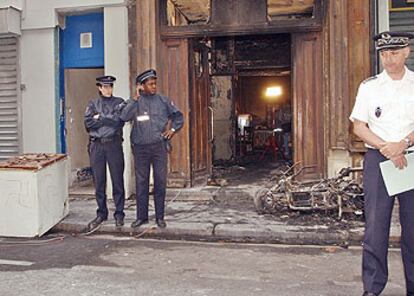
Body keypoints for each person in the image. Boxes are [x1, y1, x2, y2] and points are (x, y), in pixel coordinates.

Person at [349, 31, 414, 296]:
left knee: (413, 229)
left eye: (394, 53)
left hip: (410, 158)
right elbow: (358, 126)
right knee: (375, 227)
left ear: (407, 51)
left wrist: (404, 143)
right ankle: (373, 288)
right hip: (378, 159)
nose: (388, 59)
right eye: (384, 54)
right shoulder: (370, 86)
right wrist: (386, 147)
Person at [120, 69, 184, 229]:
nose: (154, 86)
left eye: (155, 83)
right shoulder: (135, 102)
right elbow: (123, 117)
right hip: (140, 148)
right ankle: (141, 217)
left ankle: (160, 217)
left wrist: (173, 130)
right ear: (141, 86)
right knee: (141, 183)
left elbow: (178, 116)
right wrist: (134, 99)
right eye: (150, 84)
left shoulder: (163, 101)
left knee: (160, 182)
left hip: (158, 147)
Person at [84, 75, 126, 230]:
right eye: (105, 86)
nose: (108, 89)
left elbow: (118, 121)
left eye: (110, 86)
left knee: (117, 180)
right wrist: (108, 118)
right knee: (99, 182)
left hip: (113, 144)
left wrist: (100, 117)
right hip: (97, 146)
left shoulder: (119, 102)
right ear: (100, 88)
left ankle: (119, 214)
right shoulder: (93, 103)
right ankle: (101, 213)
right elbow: (88, 123)